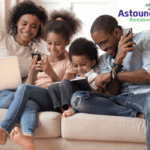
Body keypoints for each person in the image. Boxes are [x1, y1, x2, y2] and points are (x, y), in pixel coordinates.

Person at [0, 9, 82, 150]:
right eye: (49, 43)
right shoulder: (41, 57)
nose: (52, 48)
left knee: (23, 88)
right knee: (29, 104)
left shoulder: (69, 62)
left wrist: (50, 72)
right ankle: (28, 138)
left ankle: (4, 128)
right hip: (39, 97)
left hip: (54, 99)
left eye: (57, 44)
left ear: (67, 42)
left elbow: (65, 88)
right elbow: (31, 87)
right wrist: (32, 73)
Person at [71, 14, 150, 150]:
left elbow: (148, 75)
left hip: (145, 96)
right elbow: (111, 94)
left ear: (117, 33)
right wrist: (118, 61)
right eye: (98, 45)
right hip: (121, 99)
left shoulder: (145, 39)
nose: (102, 48)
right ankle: (137, 114)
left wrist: (113, 74)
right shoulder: (104, 59)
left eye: (104, 42)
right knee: (78, 99)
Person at [48, 37, 101, 118]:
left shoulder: (95, 76)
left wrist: (88, 84)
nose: (79, 69)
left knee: (65, 81)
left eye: (83, 65)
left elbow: (99, 94)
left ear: (93, 62)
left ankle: (70, 107)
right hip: (75, 95)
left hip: (85, 99)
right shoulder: (75, 77)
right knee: (52, 87)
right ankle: (63, 111)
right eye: (75, 66)